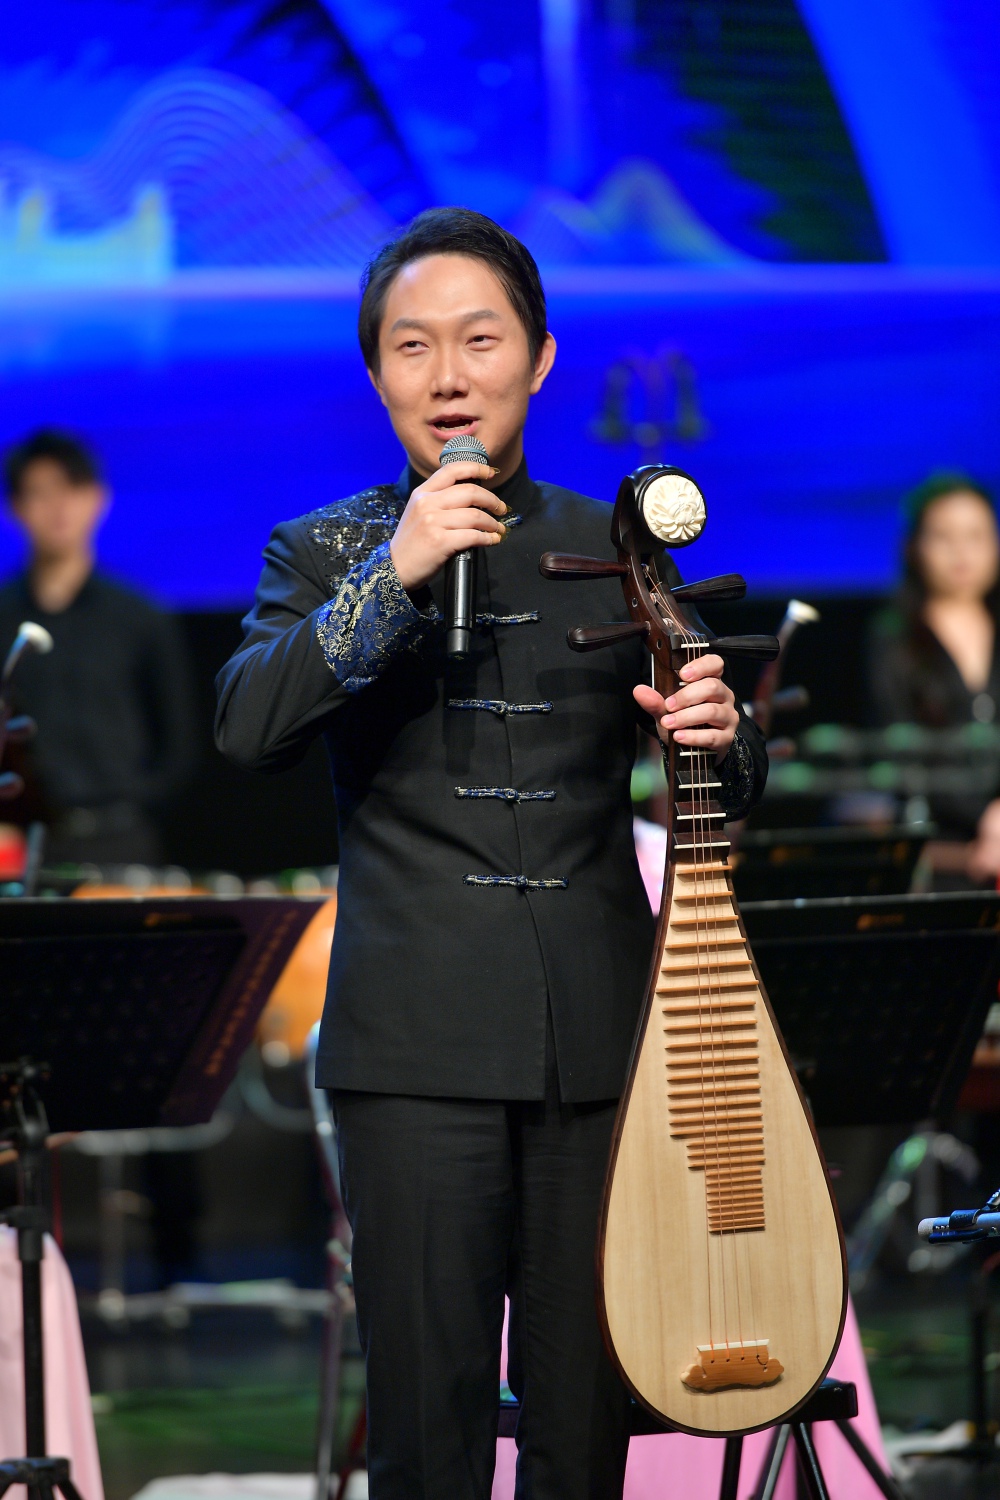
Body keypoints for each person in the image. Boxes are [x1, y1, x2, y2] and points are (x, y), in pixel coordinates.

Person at [216, 208, 767, 1499]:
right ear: (377, 374)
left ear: (540, 357)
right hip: (414, 1056)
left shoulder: (619, 546)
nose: (448, 376)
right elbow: (246, 728)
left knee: (583, 1439)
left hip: (599, 1051)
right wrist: (396, 575)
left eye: (479, 339)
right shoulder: (326, 548)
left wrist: (722, 732)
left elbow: (725, 782)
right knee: (428, 1438)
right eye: (413, 346)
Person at [0, 429, 196, 867]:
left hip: (124, 839)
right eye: (39, 492)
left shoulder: (139, 615)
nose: (58, 507)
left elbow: (177, 742)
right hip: (27, 844)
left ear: (97, 498)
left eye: (71, 488)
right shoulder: (3, 619)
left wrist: (138, 806)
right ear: (15, 507)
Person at [866, 472, 1000, 879]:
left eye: (976, 536)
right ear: (915, 546)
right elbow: (901, 752)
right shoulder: (894, 640)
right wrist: (983, 820)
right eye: (944, 536)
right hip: (942, 851)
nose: (962, 552)